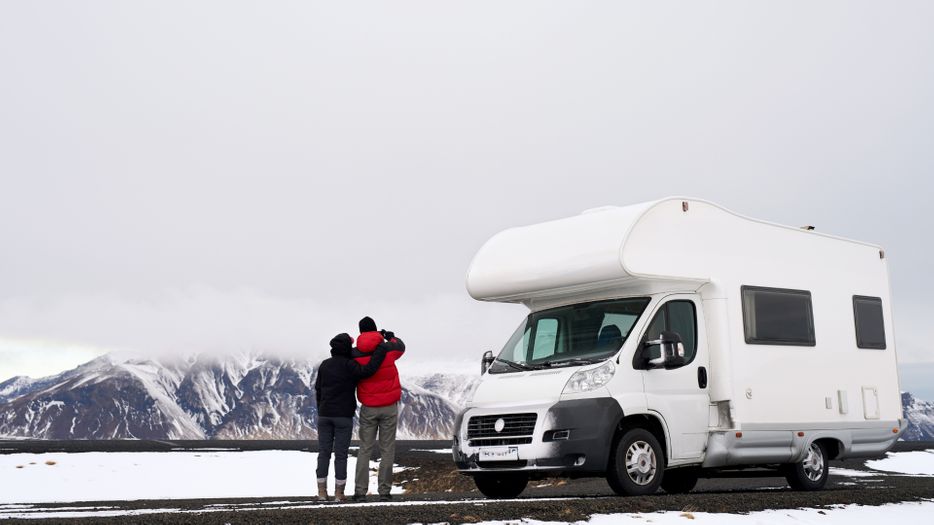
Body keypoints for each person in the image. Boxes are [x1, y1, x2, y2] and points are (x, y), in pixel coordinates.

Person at [314, 333, 390, 502]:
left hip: (325, 415)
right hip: (343, 416)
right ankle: (339, 494)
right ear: (347, 348)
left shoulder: (325, 365)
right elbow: (368, 370)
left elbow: (318, 389)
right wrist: (380, 350)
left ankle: (321, 492)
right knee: (340, 455)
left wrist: (321, 409)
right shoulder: (350, 365)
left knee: (323, 453)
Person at [352, 316, 406, 502]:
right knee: (387, 449)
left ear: (360, 332)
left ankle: (360, 491)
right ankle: (384, 491)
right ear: (375, 330)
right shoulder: (387, 349)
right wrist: (389, 336)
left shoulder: (355, 354)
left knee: (364, 449)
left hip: (368, 408)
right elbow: (401, 346)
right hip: (389, 407)